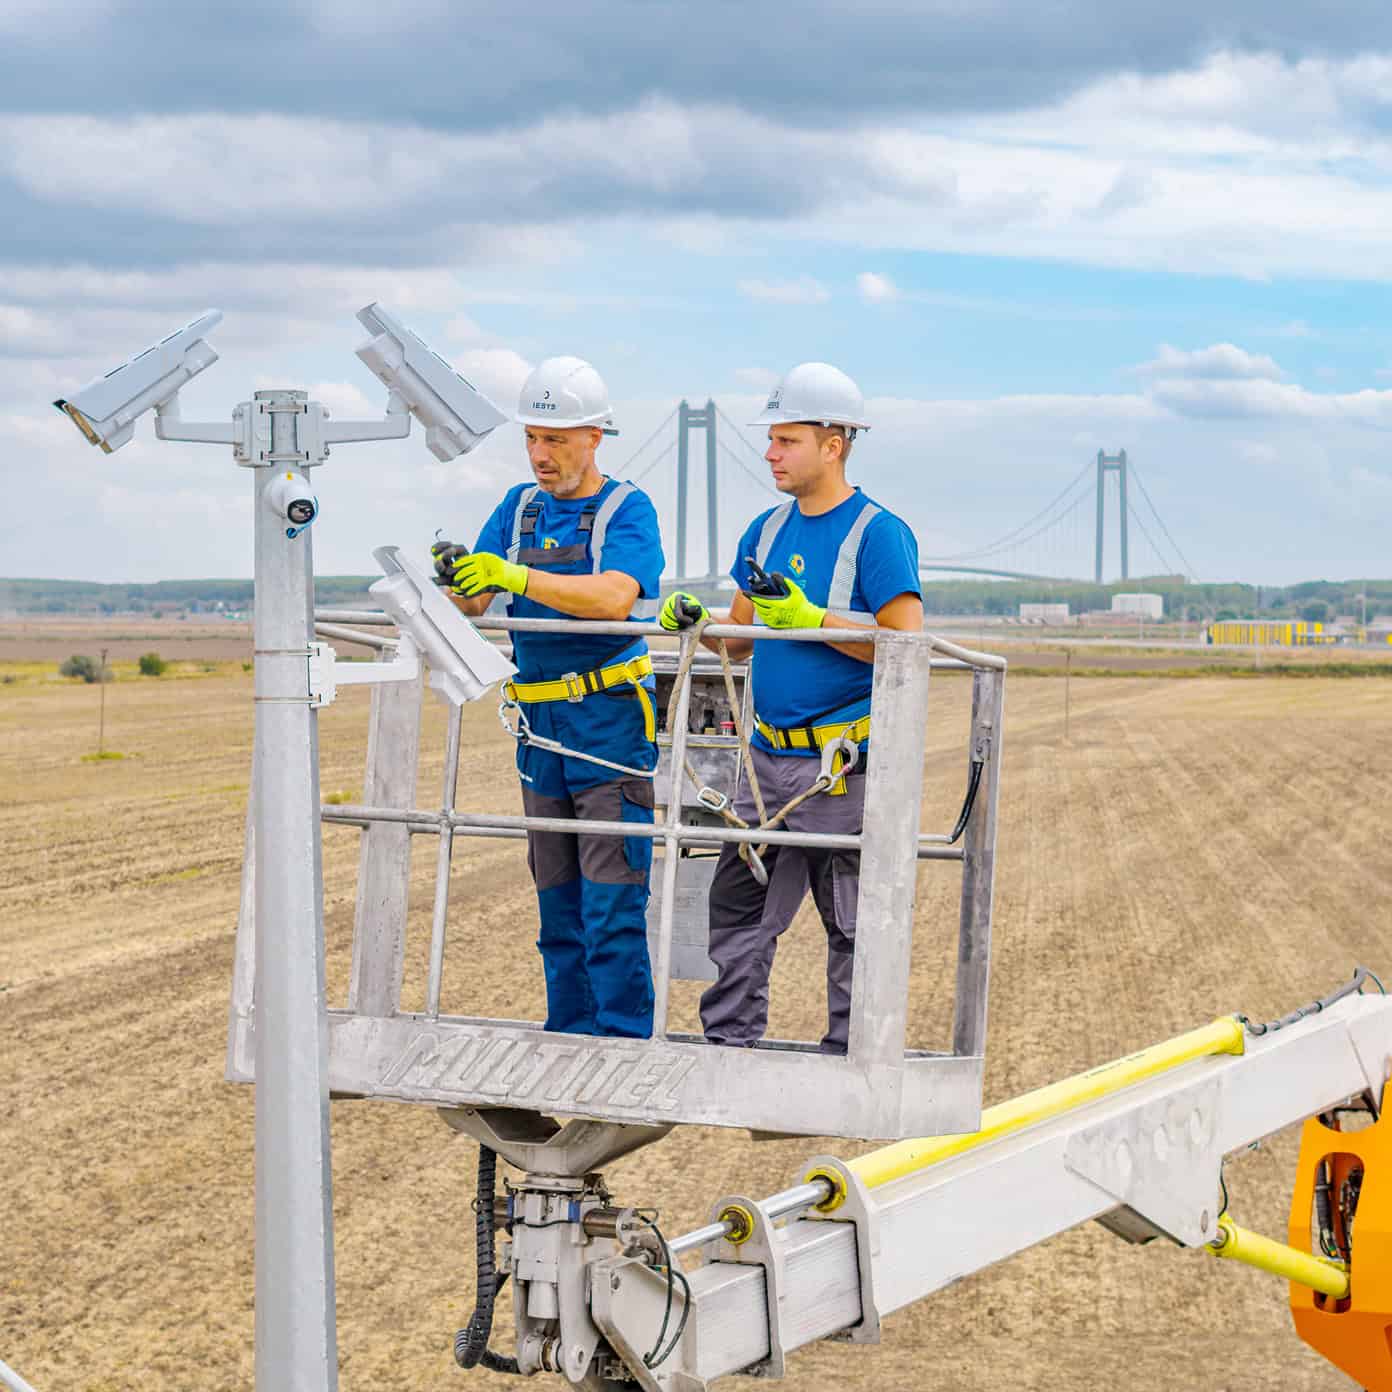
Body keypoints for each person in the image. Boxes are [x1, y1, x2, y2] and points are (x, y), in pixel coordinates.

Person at [659, 363, 922, 1054]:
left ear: (833, 445)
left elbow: (906, 647)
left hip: (841, 769)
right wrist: (698, 626)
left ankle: (852, 1056)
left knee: (851, 920)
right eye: (771, 440)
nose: (770, 453)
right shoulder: (766, 530)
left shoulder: (878, 534)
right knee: (737, 905)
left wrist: (813, 619)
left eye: (786, 440)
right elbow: (740, 643)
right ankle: (729, 1048)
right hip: (764, 759)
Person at [438, 356, 664, 1039]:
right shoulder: (517, 509)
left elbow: (615, 596)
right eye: (532, 438)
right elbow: (475, 601)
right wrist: (456, 581)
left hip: (608, 722)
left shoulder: (628, 509)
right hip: (539, 727)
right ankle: (569, 1034)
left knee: (611, 896)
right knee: (556, 896)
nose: (540, 454)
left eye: (556, 439)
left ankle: (622, 1043)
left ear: (595, 437)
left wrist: (516, 574)